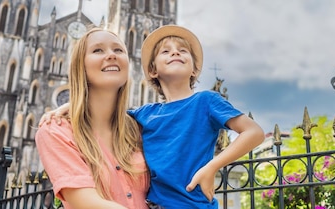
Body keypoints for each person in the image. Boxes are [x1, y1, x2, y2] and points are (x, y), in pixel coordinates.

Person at [41, 25, 264, 209]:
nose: (175, 53)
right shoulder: (145, 115)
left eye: (118, 50)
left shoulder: (204, 102)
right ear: (152, 71)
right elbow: (105, 111)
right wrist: (72, 105)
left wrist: (212, 167)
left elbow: (254, 132)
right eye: (165, 51)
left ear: (195, 69)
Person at [35, 27, 149, 209]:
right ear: (81, 66)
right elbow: (87, 203)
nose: (111, 55)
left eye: (118, 50)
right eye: (98, 50)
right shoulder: (56, 130)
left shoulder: (141, 127)